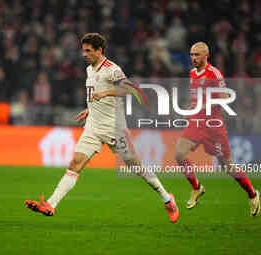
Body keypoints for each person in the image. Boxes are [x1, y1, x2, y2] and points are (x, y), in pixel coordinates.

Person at [25, 33, 179, 223]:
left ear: (99, 50)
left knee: (136, 166)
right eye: (83, 50)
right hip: (93, 127)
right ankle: (51, 204)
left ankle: (166, 198)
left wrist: (106, 92)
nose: (84, 54)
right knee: (75, 163)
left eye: (88, 51)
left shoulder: (112, 69)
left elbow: (130, 89)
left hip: (115, 127)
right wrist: (89, 110)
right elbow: (95, 96)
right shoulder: (90, 69)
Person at [175, 42, 261, 216]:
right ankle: (197, 187)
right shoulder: (192, 73)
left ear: (206, 55)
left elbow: (225, 97)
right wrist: (189, 109)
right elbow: (195, 98)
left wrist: (204, 103)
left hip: (213, 127)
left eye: (197, 55)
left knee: (228, 167)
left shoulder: (214, 74)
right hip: (197, 123)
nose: (193, 58)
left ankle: (253, 194)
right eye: (191, 55)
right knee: (179, 154)